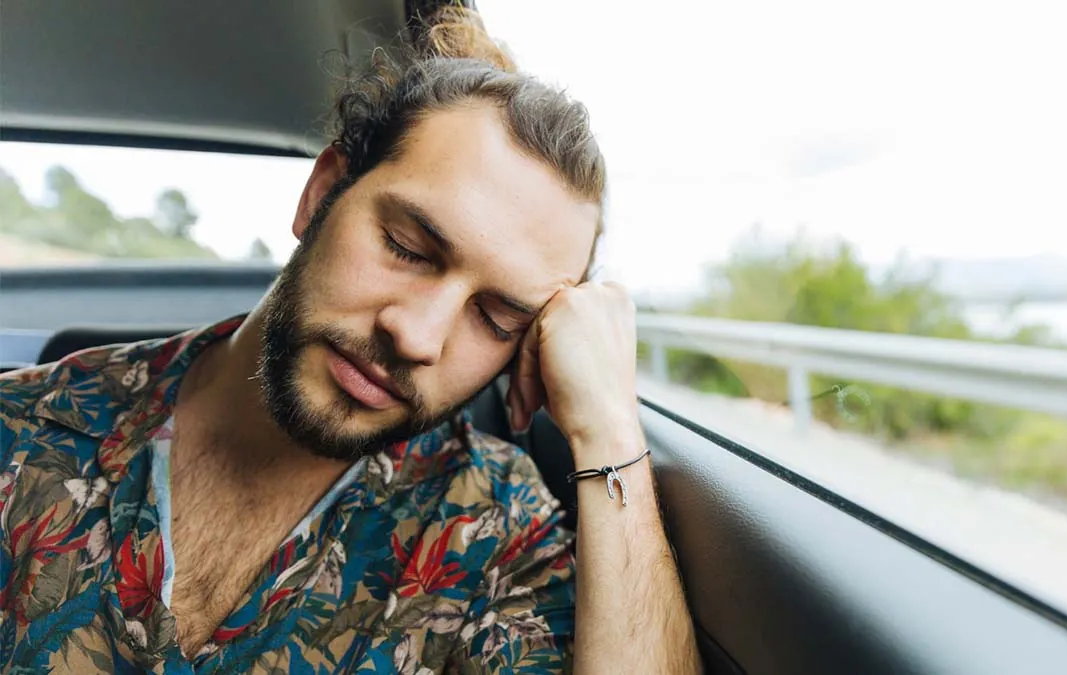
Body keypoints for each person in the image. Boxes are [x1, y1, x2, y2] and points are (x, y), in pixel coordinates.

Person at [0, 10, 701, 675]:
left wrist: (610, 428)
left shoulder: (494, 530)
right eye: (406, 246)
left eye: (494, 320)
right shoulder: (23, 427)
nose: (418, 336)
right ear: (321, 194)